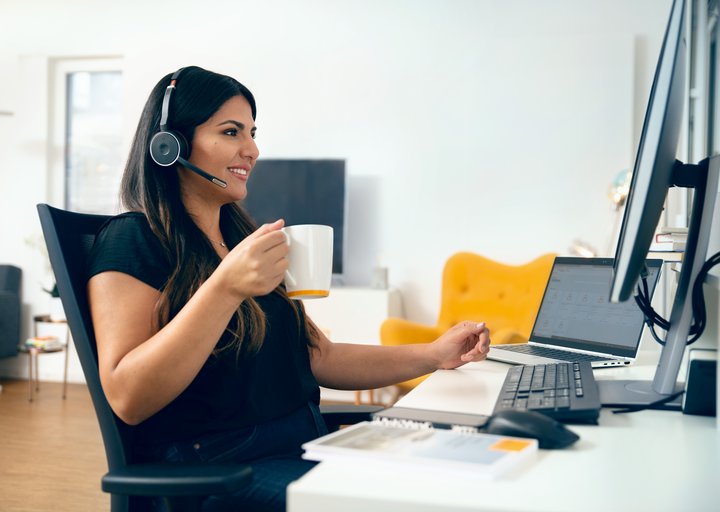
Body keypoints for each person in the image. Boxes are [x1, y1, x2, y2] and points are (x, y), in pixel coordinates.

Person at [86, 65, 491, 512]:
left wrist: (434, 354)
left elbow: (322, 356)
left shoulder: (244, 243)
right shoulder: (134, 239)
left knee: (462, 481)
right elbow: (128, 397)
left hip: (300, 446)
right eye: (231, 131)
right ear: (171, 146)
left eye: (253, 132)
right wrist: (226, 288)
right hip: (222, 471)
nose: (252, 149)